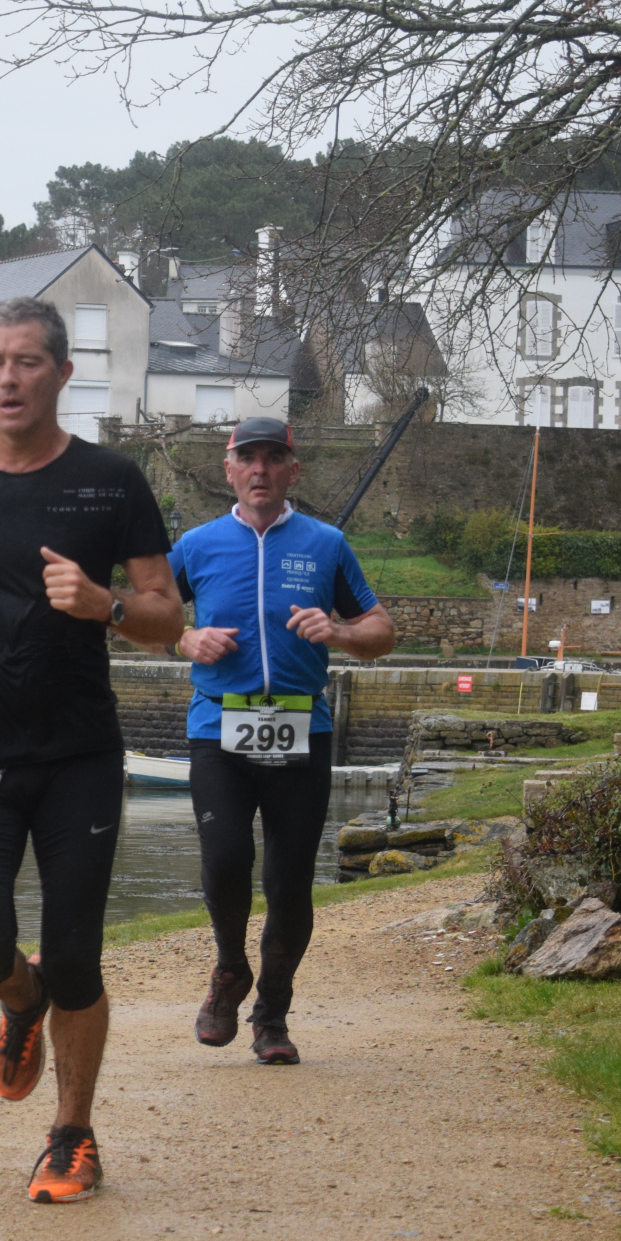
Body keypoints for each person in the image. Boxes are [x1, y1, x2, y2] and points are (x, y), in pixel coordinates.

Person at [0, 297, 184, 1203]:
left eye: (26, 362)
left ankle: (71, 1134)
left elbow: (166, 616)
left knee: (78, 955)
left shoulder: (110, 482)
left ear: (62, 373)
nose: (7, 378)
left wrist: (106, 606)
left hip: (76, 756)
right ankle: (21, 996)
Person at [167, 416, 397, 1065]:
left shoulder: (326, 544)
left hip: (301, 730)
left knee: (289, 881)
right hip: (218, 728)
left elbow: (382, 630)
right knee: (225, 859)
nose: (260, 469)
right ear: (229, 469)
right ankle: (229, 968)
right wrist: (184, 638)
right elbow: (143, 613)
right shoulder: (196, 546)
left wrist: (340, 632)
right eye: (248, 458)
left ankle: (271, 1013)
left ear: (293, 471)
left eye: (273, 458)